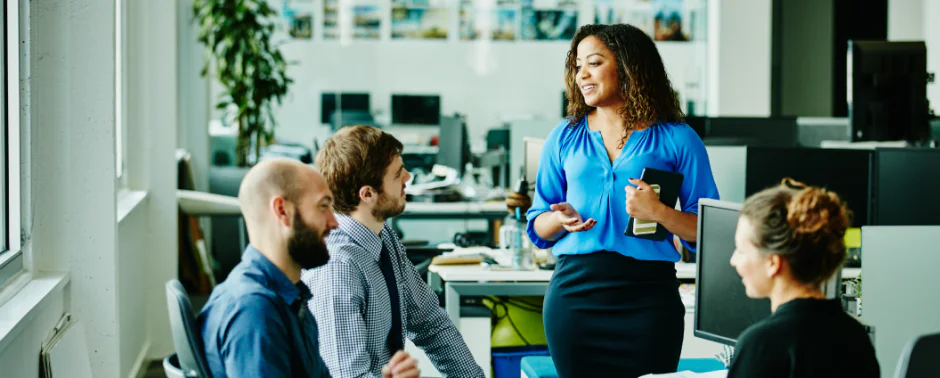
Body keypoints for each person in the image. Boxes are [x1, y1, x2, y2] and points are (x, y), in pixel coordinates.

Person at [526, 23, 720, 378]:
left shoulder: (677, 138)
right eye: (577, 65)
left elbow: (708, 229)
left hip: (648, 299)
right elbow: (538, 222)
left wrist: (659, 213)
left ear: (628, 66)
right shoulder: (565, 135)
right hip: (575, 297)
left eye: (594, 63)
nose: (582, 73)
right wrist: (560, 220)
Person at [197, 158, 420, 378]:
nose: (333, 223)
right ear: (282, 211)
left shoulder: (291, 297)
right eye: (323, 206)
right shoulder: (254, 311)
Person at [304, 125, 485, 378]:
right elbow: (348, 376)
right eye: (397, 174)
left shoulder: (383, 235)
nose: (408, 177)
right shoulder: (338, 268)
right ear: (368, 194)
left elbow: (430, 322)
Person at [727, 179, 880, 378]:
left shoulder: (762, 345)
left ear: (773, 263)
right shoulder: (856, 336)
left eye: (741, 250)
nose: (733, 260)